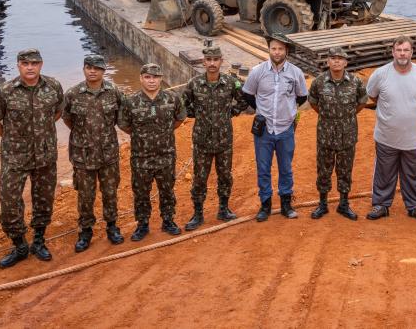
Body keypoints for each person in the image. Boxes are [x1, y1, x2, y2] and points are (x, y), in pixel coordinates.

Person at [0, 49, 65, 268]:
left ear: (41, 65)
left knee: (43, 200)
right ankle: (20, 245)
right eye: (25, 63)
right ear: (18, 66)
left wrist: (41, 134)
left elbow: (57, 112)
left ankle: (39, 240)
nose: (30, 67)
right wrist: (12, 139)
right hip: (15, 157)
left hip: (45, 155)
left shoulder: (53, 86)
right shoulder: (5, 91)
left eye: (34, 63)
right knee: (9, 202)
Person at [365, 35, 416, 222]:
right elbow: (373, 96)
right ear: (392, 52)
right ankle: (381, 204)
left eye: (406, 50)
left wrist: (412, 110)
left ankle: (415, 205)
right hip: (386, 137)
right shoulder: (380, 74)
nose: (402, 54)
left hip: (413, 139)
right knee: (384, 173)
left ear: (412, 52)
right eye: (399, 50)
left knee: (413, 174)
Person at [180, 42, 247, 231]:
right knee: (200, 178)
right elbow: (184, 105)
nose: (212, 63)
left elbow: (243, 101)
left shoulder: (230, 82)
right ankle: (198, 213)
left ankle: (223, 209)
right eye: (208, 59)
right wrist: (198, 116)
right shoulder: (194, 84)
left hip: (224, 139)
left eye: (215, 60)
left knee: (225, 176)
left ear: (221, 61)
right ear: (203, 62)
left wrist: (231, 113)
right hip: (202, 140)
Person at [242, 34, 308, 222]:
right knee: (263, 168)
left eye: (280, 49)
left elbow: (302, 96)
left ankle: (286, 204)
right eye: (273, 48)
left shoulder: (295, 73)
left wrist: (288, 110)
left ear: (286, 50)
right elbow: (247, 93)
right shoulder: (258, 71)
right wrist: (261, 111)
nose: (277, 52)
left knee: (285, 168)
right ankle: (265, 205)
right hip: (264, 131)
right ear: (269, 49)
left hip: (286, 129)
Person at [118, 63, 187, 240]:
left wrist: (163, 134)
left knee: (167, 190)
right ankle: (142, 225)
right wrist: (142, 136)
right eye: (147, 77)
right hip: (141, 157)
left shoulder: (172, 99)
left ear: (161, 79)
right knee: (141, 193)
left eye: (155, 77)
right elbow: (124, 124)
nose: (151, 81)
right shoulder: (130, 101)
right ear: (141, 78)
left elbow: (179, 119)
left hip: (166, 154)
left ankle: (168, 221)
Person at [62, 54, 124, 252]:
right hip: (83, 154)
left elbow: (119, 117)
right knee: (85, 195)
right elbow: (67, 119)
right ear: (84, 69)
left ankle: (112, 226)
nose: (92, 71)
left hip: (108, 153)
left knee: (110, 192)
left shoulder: (113, 92)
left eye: (97, 68)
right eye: (88, 67)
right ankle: (85, 230)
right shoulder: (73, 94)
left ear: (103, 71)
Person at [307, 46, 368, 220]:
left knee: (345, 170)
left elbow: (362, 102)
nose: (336, 61)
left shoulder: (355, 82)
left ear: (345, 62)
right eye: (333, 58)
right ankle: (323, 204)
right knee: (323, 170)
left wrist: (346, 117)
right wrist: (328, 117)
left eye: (340, 58)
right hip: (325, 134)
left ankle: (343, 204)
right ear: (328, 61)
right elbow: (313, 103)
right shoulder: (319, 82)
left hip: (347, 134)